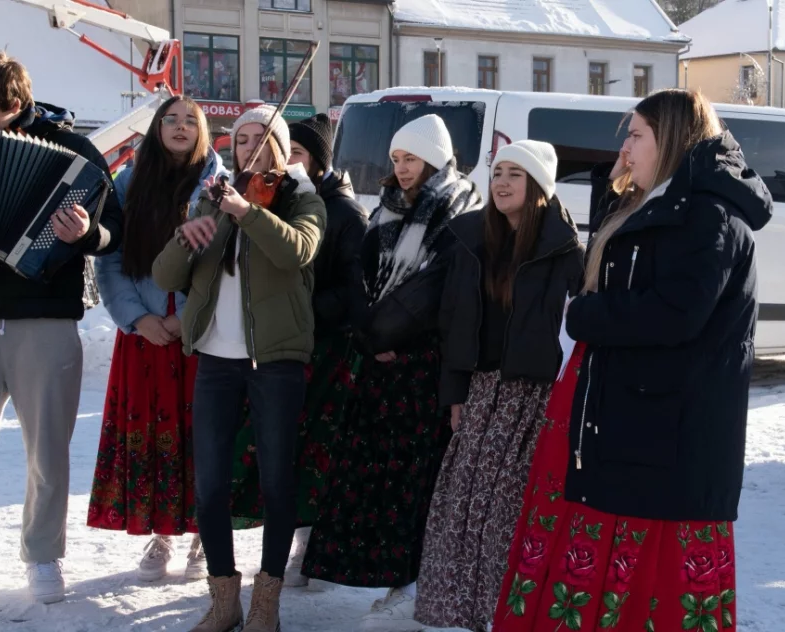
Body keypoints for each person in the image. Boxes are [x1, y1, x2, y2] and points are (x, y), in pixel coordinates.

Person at [493, 89, 773, 632]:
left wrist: (587, 316)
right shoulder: (667, 205)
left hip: (671, 430)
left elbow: (675, 315)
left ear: (670, 140)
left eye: (637, 134)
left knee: (651, 577)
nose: (625, 146)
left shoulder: (709, 217)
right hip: (637, 417)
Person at [0, 51, 123, 605]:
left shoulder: (76, 152)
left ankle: (44, 557)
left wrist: (85, 233)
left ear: (13, 106)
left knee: (48, 450)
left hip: (44, 318)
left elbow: (114, 233)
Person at [301, 114, 484, 631]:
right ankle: (394, 580)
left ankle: (413, 584)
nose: (402, 169)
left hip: (422, 366)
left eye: (412, 159)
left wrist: (385, 337)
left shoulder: (460, 209)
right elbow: (358, 277)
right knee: (379, 479)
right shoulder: (385, 209)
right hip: (379, 368)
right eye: (397, 160)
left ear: (435, 158)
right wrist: (367, 334)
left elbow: (436, 293)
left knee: (419, 481)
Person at [152, 104, 326, 632]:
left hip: (275, 360)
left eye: (258, 138)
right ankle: (223, 599)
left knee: (276, 481)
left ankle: (266, 604)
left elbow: (298, 251)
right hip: (216, 360)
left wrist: (247, 213)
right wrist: (189, 235)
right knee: (209, 485)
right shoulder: (212, 196)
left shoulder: (301, 197)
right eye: (241, 139)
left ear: (278, 146)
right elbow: (164, 276)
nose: (246, 146)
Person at [414, 140, 585, 632]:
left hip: (532, 396)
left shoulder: (564, 249)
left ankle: (505, 613)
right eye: (498, 173)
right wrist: (455, 393)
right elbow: (453, 321)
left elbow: (574, 331)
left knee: (508, 511)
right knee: (462, 509)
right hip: (481, 391)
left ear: (538, 187)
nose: (502, 182)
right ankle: (465, 613)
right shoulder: (472, 238)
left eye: (515, 174)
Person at [87, 95, 227, 582]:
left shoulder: (220, 186)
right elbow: (108, 260)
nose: (182, 126)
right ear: (156, 127)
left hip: (200, 336)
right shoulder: (128, 184)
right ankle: (161, 533)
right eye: (172, 118)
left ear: (204, 131)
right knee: (153, 437)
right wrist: (136, 318)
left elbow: (222, 266)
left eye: (192, 120)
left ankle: (203, 537)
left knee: (202, 438)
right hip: (143, 336)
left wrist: (184, 317)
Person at [228, 113, 369, 588]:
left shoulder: (344, 214)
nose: (286, 162)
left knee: (311, 450)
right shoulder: (273, 196)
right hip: (282, 342)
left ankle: (306, 545)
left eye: (297, 155)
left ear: (318, 162)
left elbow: (353, 290)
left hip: (324, 345)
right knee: (274, 447)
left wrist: (302, 309)